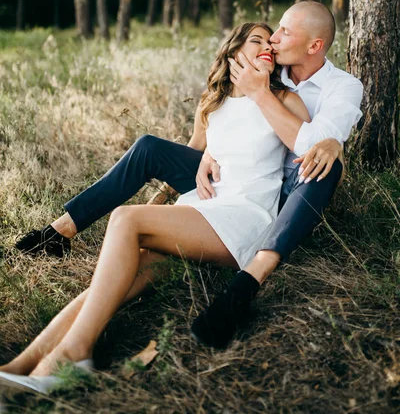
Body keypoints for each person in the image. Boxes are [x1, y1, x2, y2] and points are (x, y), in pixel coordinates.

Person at [0, 22, 310, 395]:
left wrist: (262, 93)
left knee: (126, 218)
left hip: (244, 217)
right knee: (110, 286)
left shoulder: (285, 100)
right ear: (233, 54)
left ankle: (75, 354)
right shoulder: (214, 102)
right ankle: (23, 367)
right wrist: (198, 165)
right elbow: (195, 155)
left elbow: (305, 146)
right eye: (256, 41)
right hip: (204, 208)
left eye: (270, 45)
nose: (267, 48)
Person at [190, 1, 364, 347]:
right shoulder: (266, 69)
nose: (274, 39)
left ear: (314, 46)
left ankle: (247, 283)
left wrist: (333, 144)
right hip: (241, 175)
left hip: (296, 188)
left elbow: (311, 146)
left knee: (326, 165)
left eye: (284, 32)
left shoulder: (344, 87)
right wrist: (210, 150)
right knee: (150, 149)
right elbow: (230, 114)